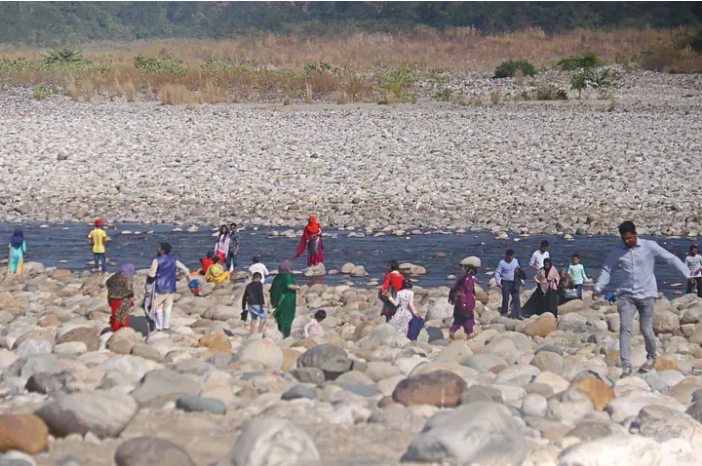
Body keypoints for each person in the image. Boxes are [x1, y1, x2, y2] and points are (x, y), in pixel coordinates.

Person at [593, 221, 694, 377]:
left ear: (635, 234)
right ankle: (626, 366)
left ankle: (652, 354)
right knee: (625, 329)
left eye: (629, 238)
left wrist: (687, 274)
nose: (627, 241)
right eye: (624, 239)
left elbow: (670, 258)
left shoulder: (649, 246)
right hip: (627, 295)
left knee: (646, 329)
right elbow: (608, 270)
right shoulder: (617, 250)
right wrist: (598, 287)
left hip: (647, 294)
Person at [147, 242, 190, 331]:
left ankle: (157, 326)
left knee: (156, 307)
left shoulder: (156, 261)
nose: (158, 249)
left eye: (159, 248)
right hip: (171, 287)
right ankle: (166, 326)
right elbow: (186, 270)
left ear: (162, 250)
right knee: (167, 307)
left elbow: (151, 275)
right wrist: (189, 279)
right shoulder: (174, 261)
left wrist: (149, 285)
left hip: (159, 287)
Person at [448, 264, 479, 339]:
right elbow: (469, 292)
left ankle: (452, 331)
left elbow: (453, 289)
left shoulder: (460, 279)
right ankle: (468, 335)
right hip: (465, 303)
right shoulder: (469, 280)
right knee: (469, 319)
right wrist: (470, 305)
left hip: (458, 302)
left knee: (458, 319)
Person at [270, 260, 299, 338]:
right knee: (287, 319)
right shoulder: (287, 276)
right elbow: (289, 286)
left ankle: (280, 332)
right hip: (287, 301)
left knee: (280, 317)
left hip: (278, 301)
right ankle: (285, 336)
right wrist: (297, 287)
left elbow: (273, 289)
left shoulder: (277, 277)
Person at [495, 249, 524, 320]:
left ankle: (519, 314)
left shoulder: (516, 261)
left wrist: (520, 279)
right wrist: (498, 282)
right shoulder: (502, 262)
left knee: (516, 298)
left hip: (514, 282)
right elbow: (497, 272)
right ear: (507, 256)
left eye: (512, 256)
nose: (511, 258)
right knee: (506, 298)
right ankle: (504, 312)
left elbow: (520, 271)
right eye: (510, 256)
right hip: (505, 282)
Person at [106, 264, 135, 332]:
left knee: (115, 315)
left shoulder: (115, 276)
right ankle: (121, 331)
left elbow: (108, 282)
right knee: (123, 316)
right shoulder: (128, 278)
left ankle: (114, 329)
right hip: (123, 298)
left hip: (112, 298)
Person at [242, 272, 266, 336]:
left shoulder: (248, 285)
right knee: (263, 317)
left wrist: (243, 307)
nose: (260, 280)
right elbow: (260, 294)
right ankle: (259, 333)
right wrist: (262, 303)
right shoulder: (259, 284)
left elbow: (244, 296)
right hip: (256, 304)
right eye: (260, 279)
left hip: (250, 304)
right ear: (258, 278)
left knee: (254, 318)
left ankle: (252, 333)